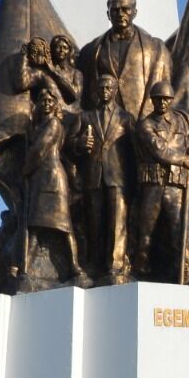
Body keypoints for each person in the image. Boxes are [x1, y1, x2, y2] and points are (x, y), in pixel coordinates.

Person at [72, 70, 135, 282]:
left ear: (116, 91)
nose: (105, 91)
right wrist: (80, 145)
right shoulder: (85, 117)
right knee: (94, 223)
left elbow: (135, 151)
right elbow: (71, 146)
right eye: (101, 88)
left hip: (117, 177)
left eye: (109, 88)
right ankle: (95, 264)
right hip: (93, 176)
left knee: (117, 222)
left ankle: (115, 265)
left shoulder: (126, 119)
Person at [76, 0, 174, 122]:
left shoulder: (156, 48)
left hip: (142, 122)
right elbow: (84, 92)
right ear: (108, 15)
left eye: (126, 9)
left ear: (135, 12)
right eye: (115, 10)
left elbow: (165, 86)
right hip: (105, 125)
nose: (120, 14)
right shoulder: (91, 50)